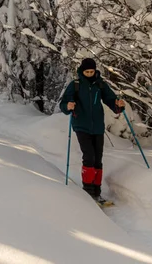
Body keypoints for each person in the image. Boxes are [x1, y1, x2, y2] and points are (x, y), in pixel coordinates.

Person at [60, 58, 125, 201]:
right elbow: (64, 103)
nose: (89, 74)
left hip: (97, 127)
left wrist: (118, 105)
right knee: (89, 156)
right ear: (82, 71)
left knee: (98, 158)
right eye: (87, 71)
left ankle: (97, 191)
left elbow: (110, 99)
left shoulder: (100, 85)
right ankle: (88, 190)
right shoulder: (76, 85)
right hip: (81, 125)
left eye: (91, 71)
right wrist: (68, 106)